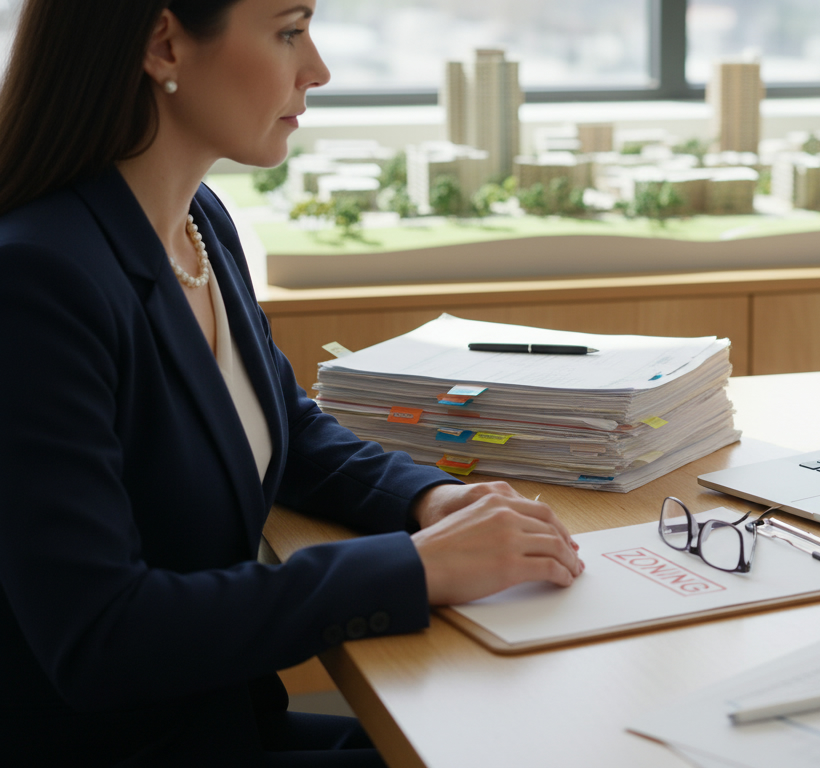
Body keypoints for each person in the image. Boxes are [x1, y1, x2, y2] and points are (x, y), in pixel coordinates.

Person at [0, 1, 584, 765]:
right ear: (165, 44)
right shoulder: (37, 280)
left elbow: (288, 426)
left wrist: (429, 500)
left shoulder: (198, 221)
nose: (319, 69)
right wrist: (417, 566)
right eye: (288, 31)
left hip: (223, 723)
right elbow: (100, 635)